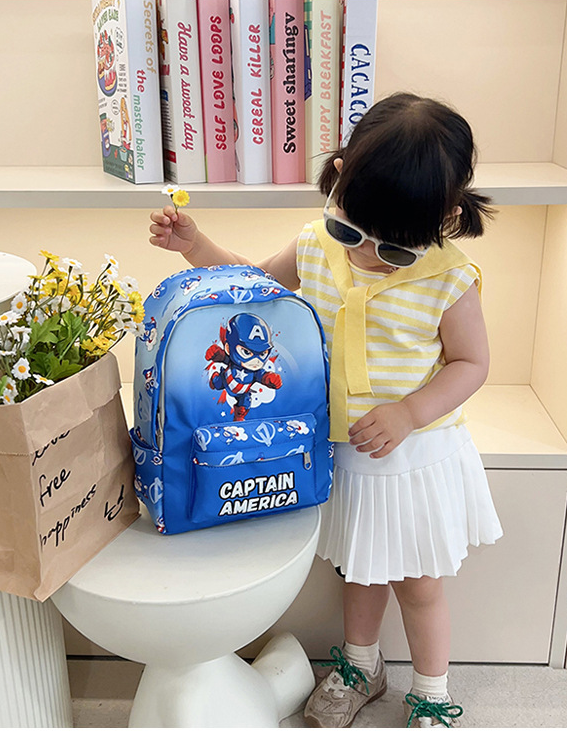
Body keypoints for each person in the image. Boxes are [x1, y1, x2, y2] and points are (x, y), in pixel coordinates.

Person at [148, 92, 503, 728]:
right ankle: (360, 665)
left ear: (446, 218)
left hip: (412, 459)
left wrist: (409, 412)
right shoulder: (316, 244)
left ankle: (432, 689)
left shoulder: (449, 280)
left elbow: (471, 365)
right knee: (358, 571)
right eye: (350, 231)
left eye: (394, 249)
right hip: (342, 450)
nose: (364, 254)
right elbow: (255, 284)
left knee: (419, 585)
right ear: (338, 178)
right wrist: (196, 247)